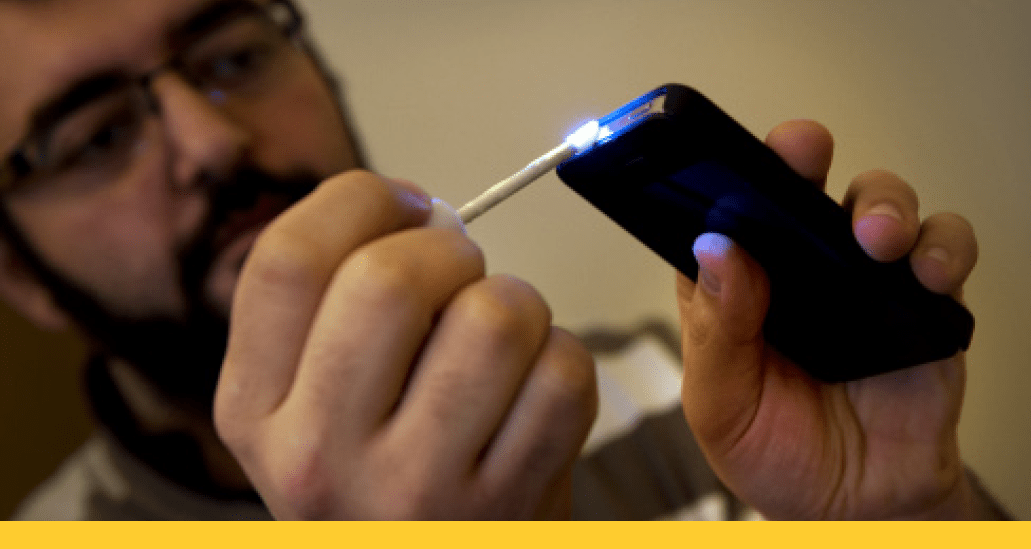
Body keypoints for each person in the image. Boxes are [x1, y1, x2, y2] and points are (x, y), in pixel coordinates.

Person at [0, 0, 1009, 520]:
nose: (212, 142)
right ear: (21, 280)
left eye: (231, 56)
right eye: (94, 137)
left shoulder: (676, 394)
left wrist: (902, 518)